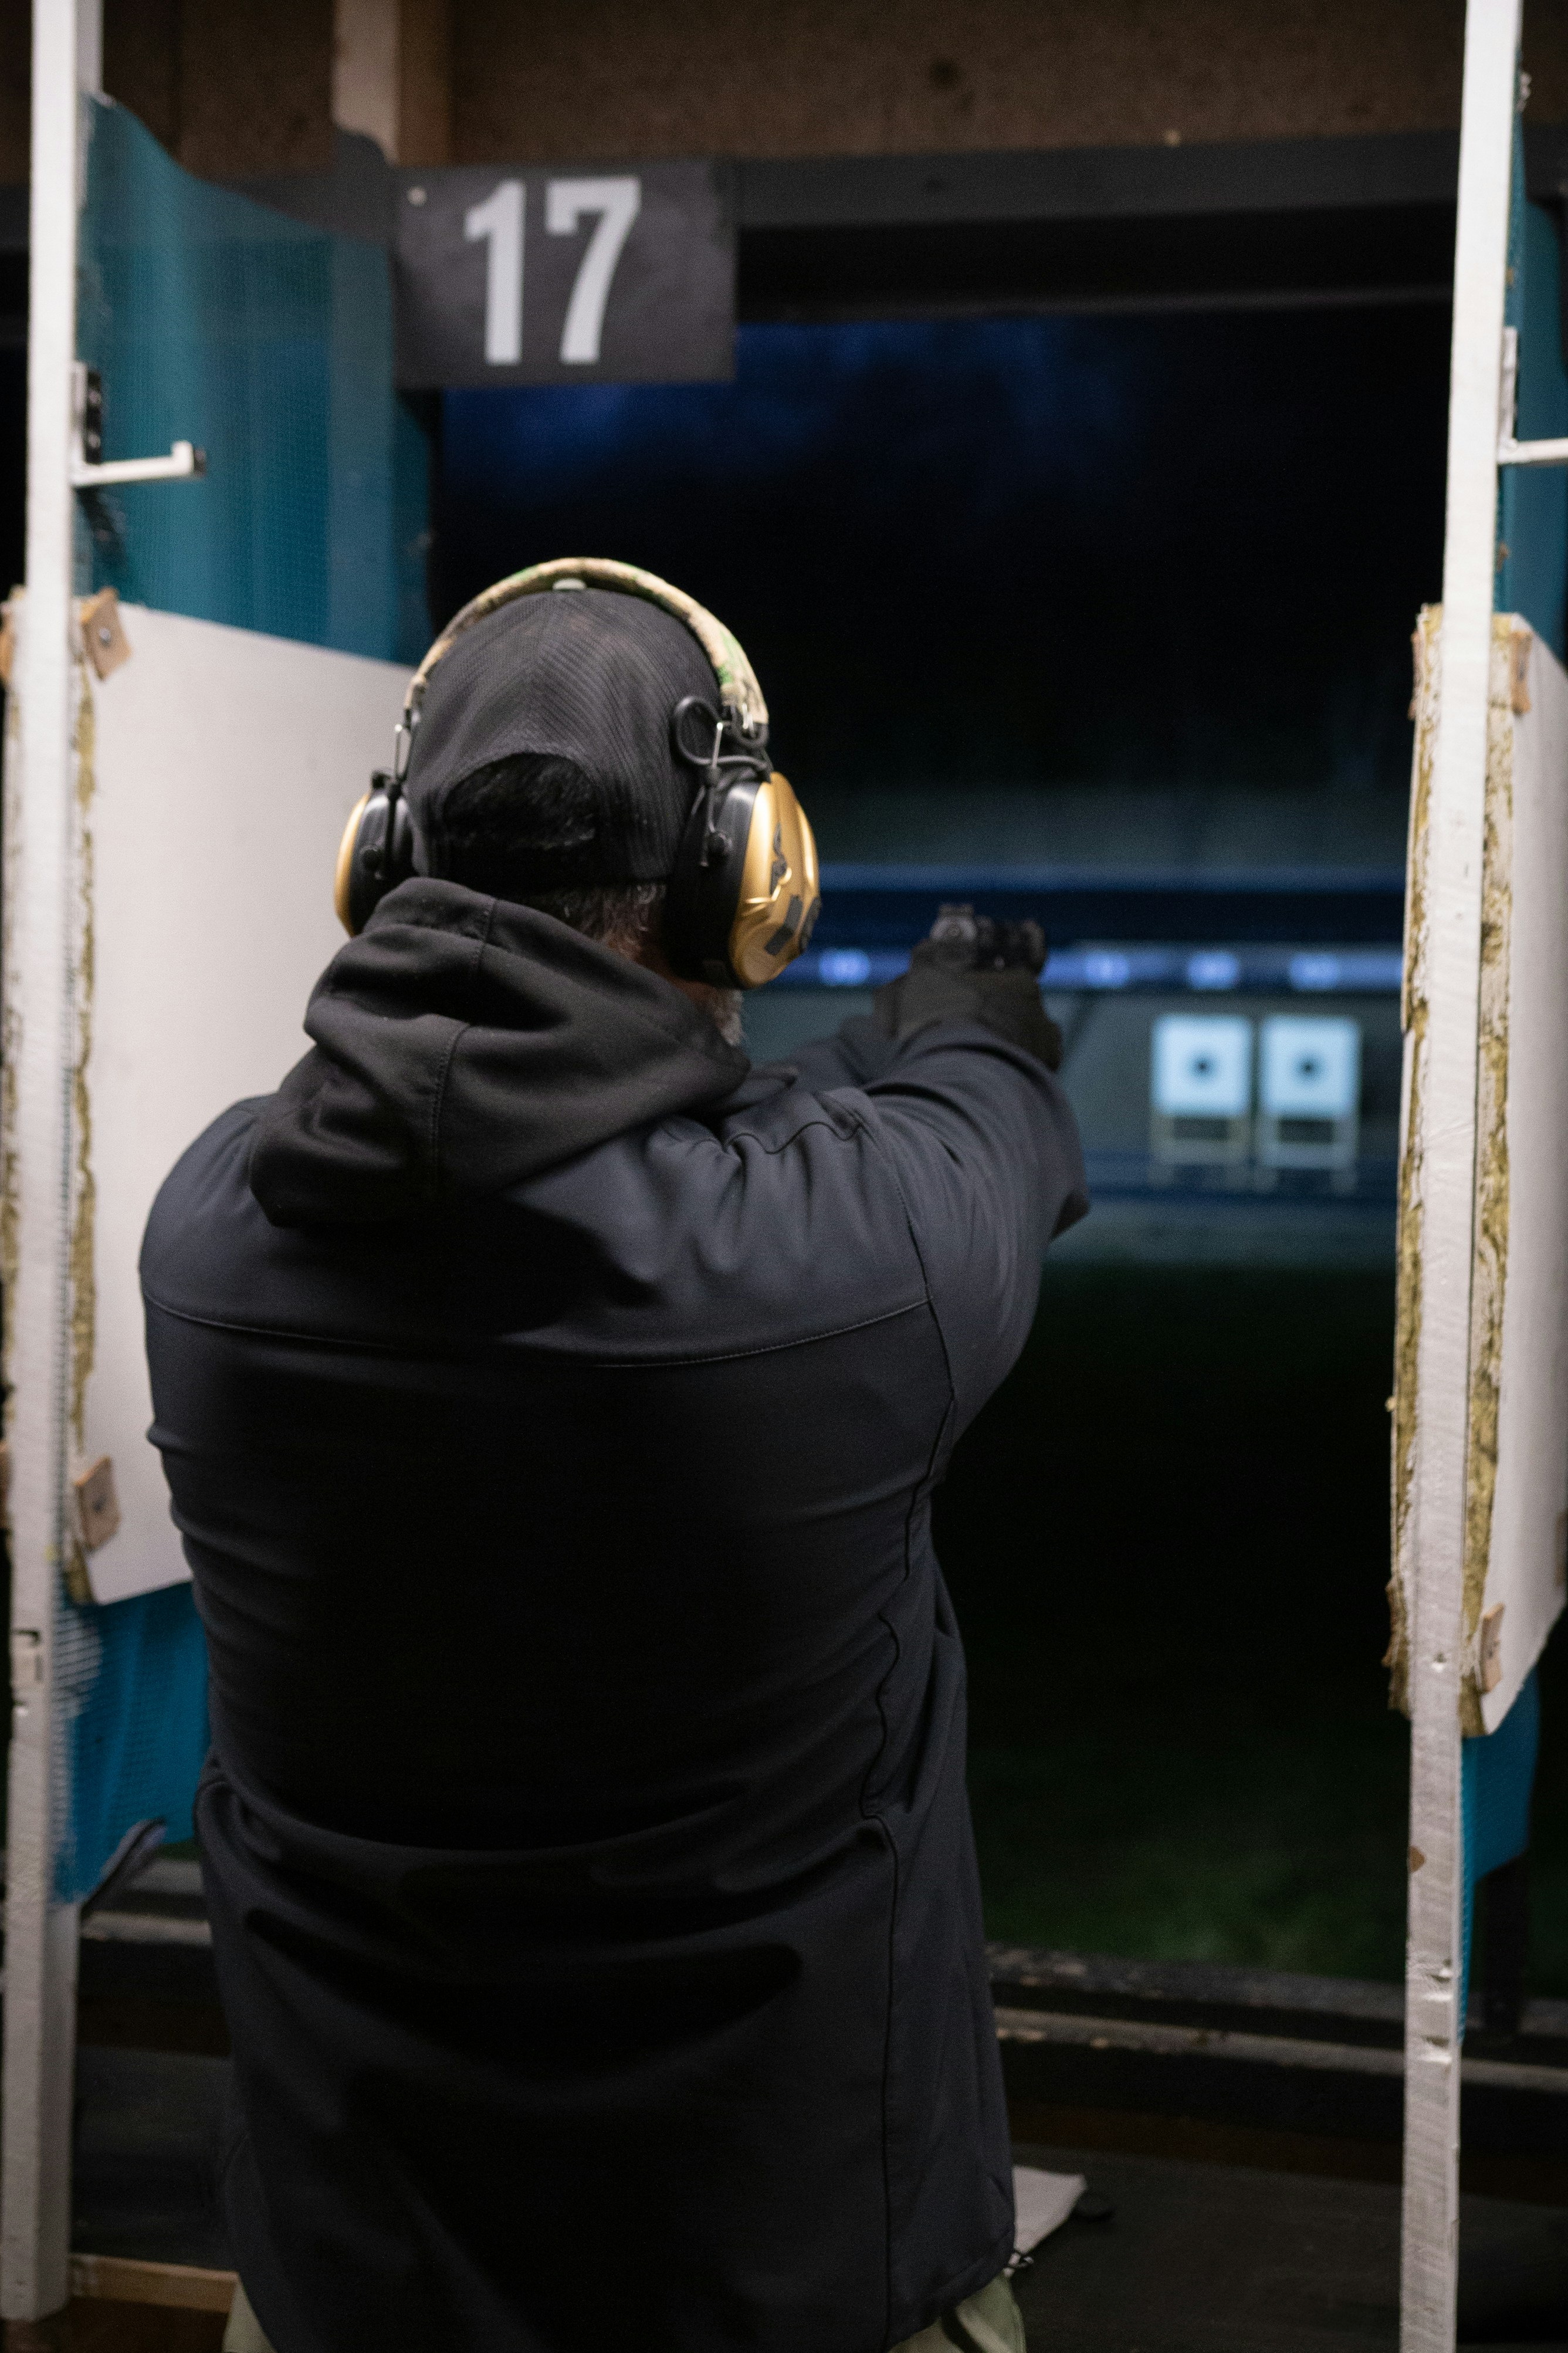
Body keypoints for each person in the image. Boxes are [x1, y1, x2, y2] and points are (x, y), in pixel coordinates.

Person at [141, 563, 1088, 2353]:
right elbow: (974, 1130)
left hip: (351, 2277)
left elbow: (617, 1140)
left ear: (380, 856)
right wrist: (958, 1009)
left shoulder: (208, 1231)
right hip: (786, 2282)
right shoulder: (855, 1263)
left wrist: (855, 1055)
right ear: (749, 877)